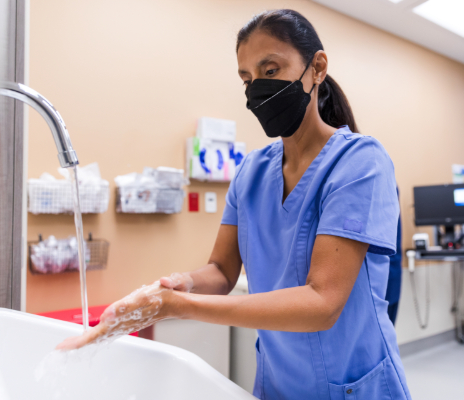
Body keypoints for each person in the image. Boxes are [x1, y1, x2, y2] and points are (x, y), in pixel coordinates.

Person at [58, 9, 412, 400]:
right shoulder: (252, 172)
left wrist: (179, 306)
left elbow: (322, 301)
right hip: (278, 383)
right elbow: (222, 270)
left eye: (271, 70)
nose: (257, 88)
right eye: (247, 78)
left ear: (317, 68)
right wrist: (185, 283)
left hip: (353, 385)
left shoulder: (360, 162)